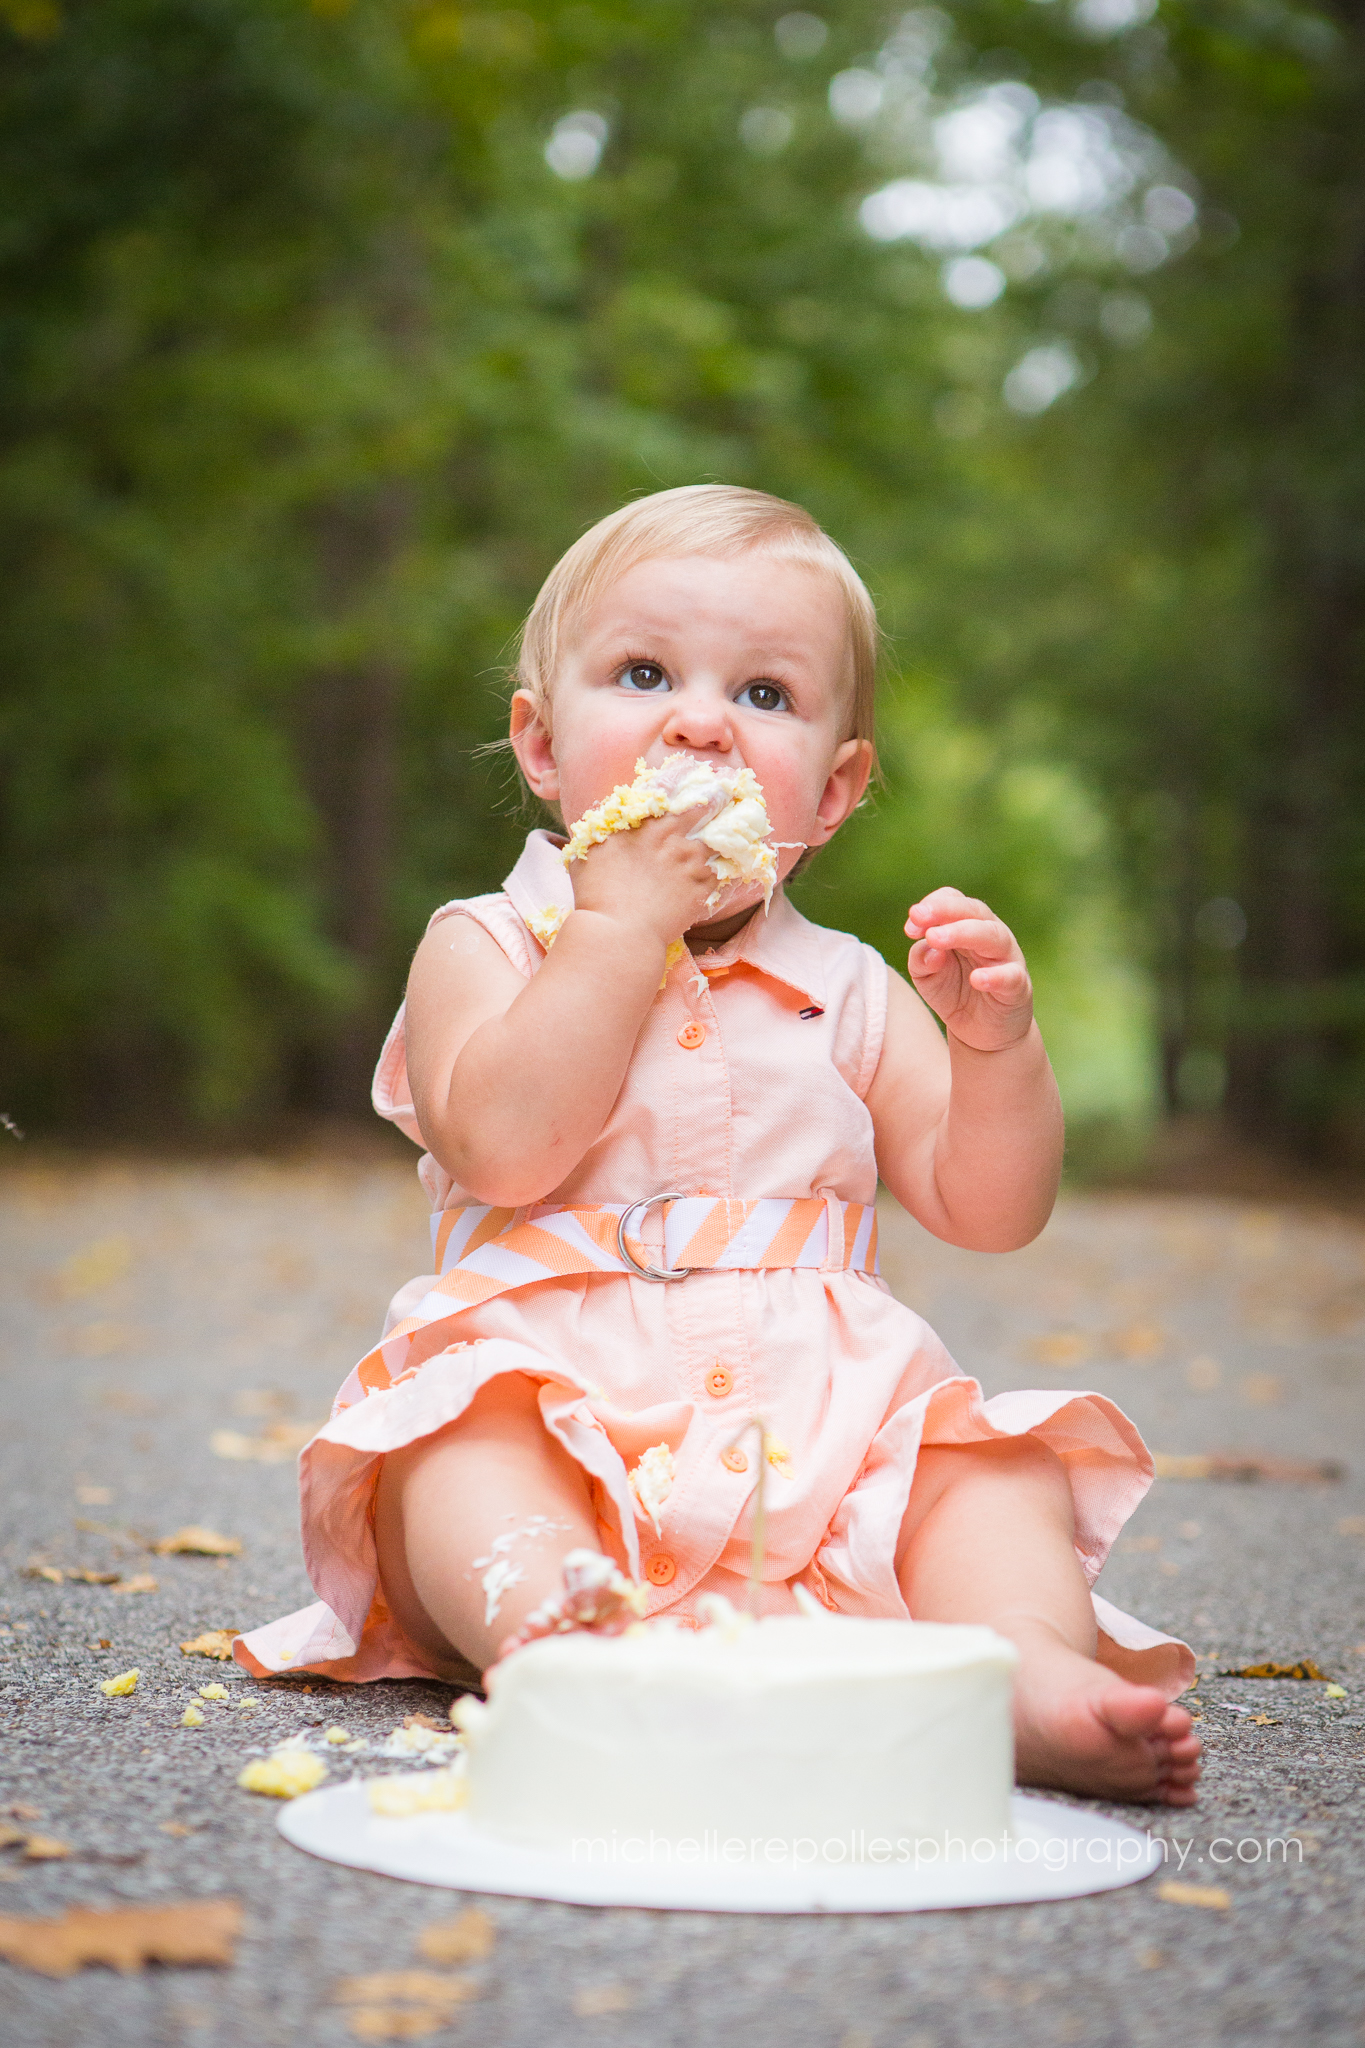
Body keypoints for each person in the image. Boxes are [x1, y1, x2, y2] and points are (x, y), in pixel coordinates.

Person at [235, 484, 1202, 1806]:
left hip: (819, 1420)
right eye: (643, 675)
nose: (700, 721)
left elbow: (987, 1207)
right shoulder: (487, 944)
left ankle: (1014, 1673)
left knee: (982, 1479)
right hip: (553, 1403)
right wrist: (618, 927)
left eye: (764, 694)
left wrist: (993, 1056)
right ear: (539, 743)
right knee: (451, 1455)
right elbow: (508, 1151)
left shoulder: (852, 986)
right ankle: (561, 1649)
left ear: (836, 787)